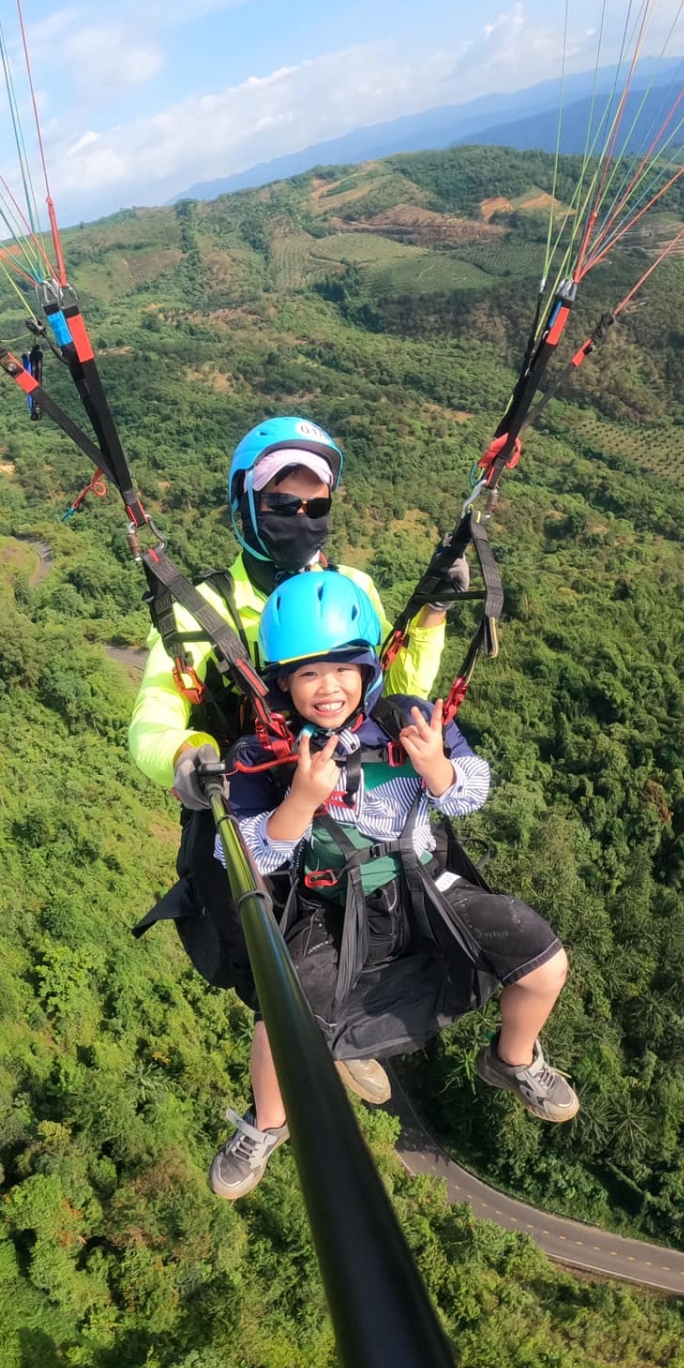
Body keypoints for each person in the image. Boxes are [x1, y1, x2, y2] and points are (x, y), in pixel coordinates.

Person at [206, 570, 577, 1201]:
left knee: (543, 962)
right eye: (308, 674)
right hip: (330, 903)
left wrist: (435, 766)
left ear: (368, 670)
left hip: (423, 883)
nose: (329, 689)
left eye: (343, 670)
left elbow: (472, 793)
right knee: (281, 1011)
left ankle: (512, 1059)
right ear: (283, 683)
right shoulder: (264, 751)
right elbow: (235, 852)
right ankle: (267, 1124)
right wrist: (299, 800)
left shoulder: (407, 719)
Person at [129, 417, 463, 1106]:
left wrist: (429, 623)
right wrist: (187, 754)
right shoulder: (202, 610)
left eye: (317, 505)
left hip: (348, 800)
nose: (302, 518)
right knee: (272, 955)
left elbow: (393, 699)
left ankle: (345, 1031)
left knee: (384, 904)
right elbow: (153, 720)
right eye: (283, 504)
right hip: (261, 809)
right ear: (247, 506)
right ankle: (291, 1085)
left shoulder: (353, 590)